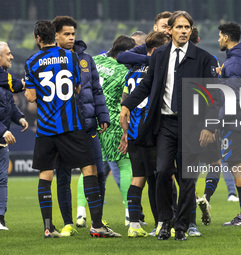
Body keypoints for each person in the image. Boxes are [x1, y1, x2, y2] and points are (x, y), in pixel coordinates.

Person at [120, 11, 218, 241]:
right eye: (180, 27)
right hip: (164, 123)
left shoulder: (204, 58)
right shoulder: (160, 55)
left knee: (186, 179)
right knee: (162, 171)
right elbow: (146, 85)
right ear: (170, 30)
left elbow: (214, 97)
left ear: (191, 31)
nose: (184, 31)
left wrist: (209, 126)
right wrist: (127, 105)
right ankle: (165, 221)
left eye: (188, 27)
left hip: (193, 126)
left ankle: (182, 226)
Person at [24, 20, 118, 238]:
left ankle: (48, 228)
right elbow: (77, 88)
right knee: (89, 169)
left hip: (46, 127)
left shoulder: (31, 62)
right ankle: (96, 224)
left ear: (38, 38)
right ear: (54, 36)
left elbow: (30, 97)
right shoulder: (71, 57)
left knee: (46, 175)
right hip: (71, 125)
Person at [51, 16, 112, 237]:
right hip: (62, 128)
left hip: (87, 125)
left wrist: (102, 115)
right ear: (55, 35)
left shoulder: (86, 59)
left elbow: (96, 90)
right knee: (63, 175)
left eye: (73, 34)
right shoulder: (49, 61)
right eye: (66, 34)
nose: (70, 38)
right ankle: (68, 222)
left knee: (98, 172)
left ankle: (97, 219)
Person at [120, 31, 170, 238]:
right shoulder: (158, 70)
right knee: (160, 178)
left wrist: (125, 133)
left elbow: (125, 100)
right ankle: (163, 223)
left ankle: (133, 225)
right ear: (157, 51)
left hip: (132, 132)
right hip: (152, 131)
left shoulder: (131, 72)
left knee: (138, 178)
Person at [215, 22, 241, 227]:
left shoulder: (233, 63)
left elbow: (233, 96)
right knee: (238, 165)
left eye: (219, 36)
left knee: (237, 165)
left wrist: (219, 121)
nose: (218, 40)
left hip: (234, 122)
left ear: (225, 37)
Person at [93, 35, 135, 226]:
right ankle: (129, 214)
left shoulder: (95, 60)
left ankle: (81, 214)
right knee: (125, 165)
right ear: (126, 53)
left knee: (90, 167)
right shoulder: (124, 71)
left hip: (91, 119)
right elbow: (124, 99)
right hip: (113, 121)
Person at [0, 41, 28, 231]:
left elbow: (10, 104)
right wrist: (2, 130)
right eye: (8, 54)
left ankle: (0, 221)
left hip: (1, 141)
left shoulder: (1, 79)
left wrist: (20, 118)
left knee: (1, 182)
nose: (12, 56)